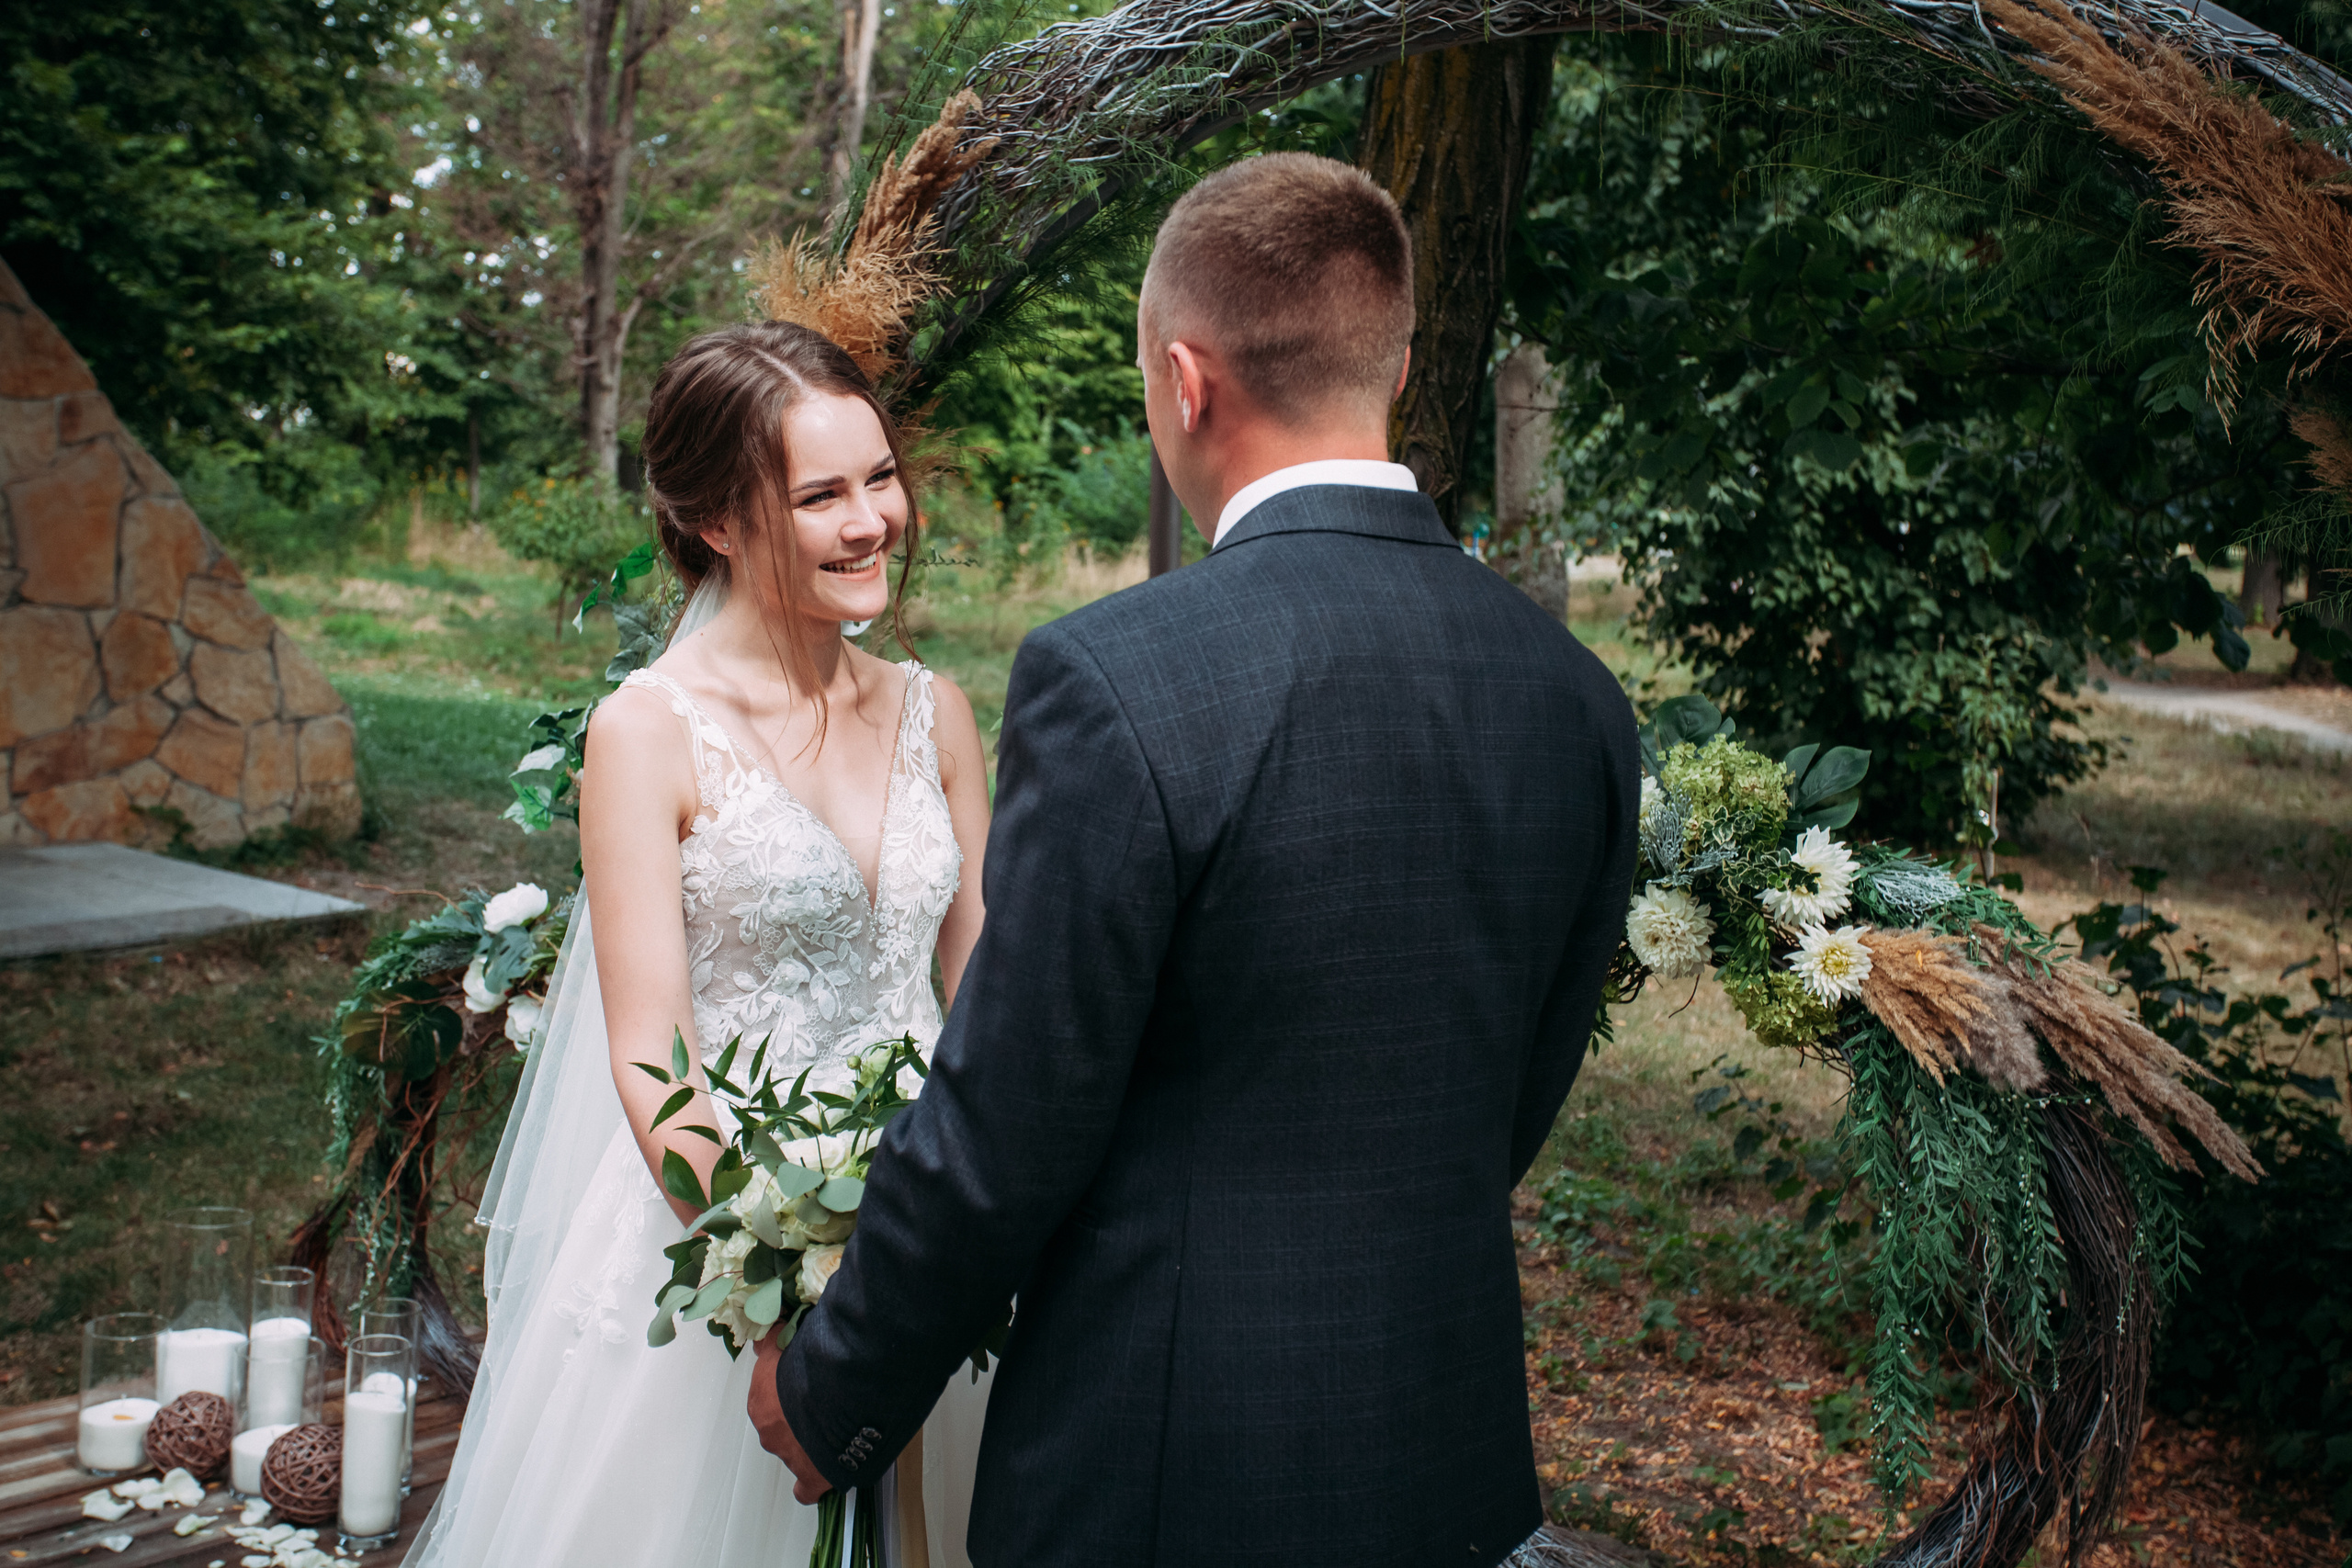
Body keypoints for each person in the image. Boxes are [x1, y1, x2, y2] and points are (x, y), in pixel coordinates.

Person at [750, 153, 1641, 1567]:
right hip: (1448, 1463)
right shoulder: (1577, 697)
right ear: (1398, 365)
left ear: (1185, 379)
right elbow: (1514, 1099)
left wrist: (834, 1388)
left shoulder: (1119, 680)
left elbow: (1009, 1120)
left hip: (1162, 1477)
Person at [406, 321, 995, 1568]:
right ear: (719, 523)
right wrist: (777, 1296)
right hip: (722, 1230)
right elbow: (649, 1054)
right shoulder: (646, 732)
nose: (872, 523)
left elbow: (991, 1001)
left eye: (880, 478)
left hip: (927, 1235)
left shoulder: (936, 712)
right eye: (821, 497)